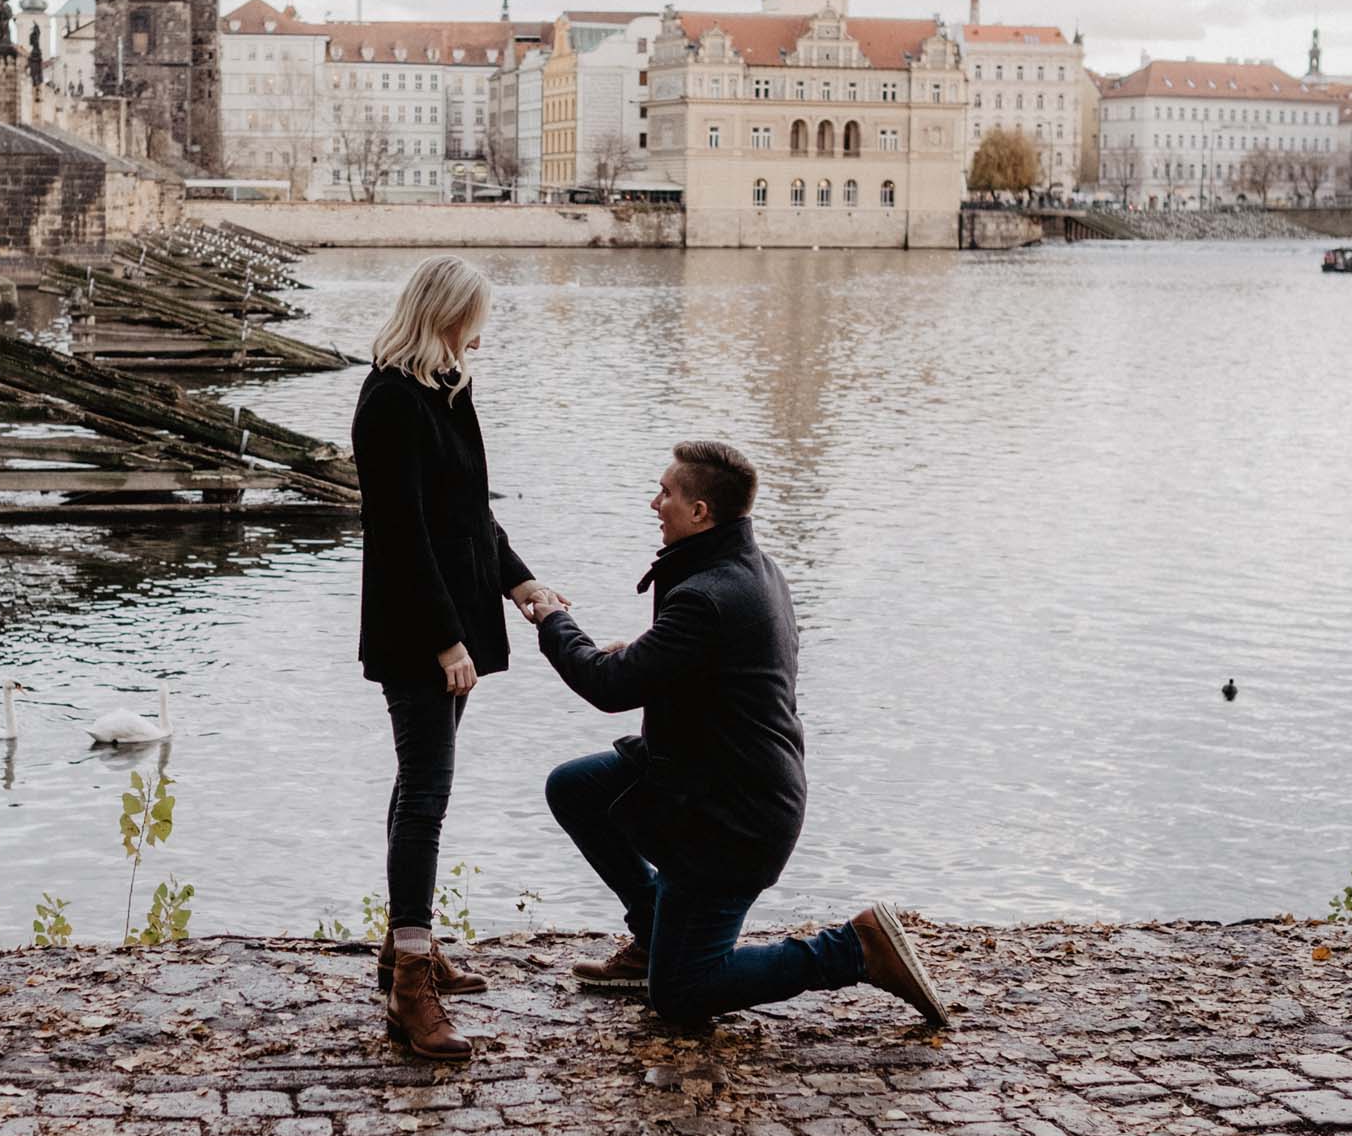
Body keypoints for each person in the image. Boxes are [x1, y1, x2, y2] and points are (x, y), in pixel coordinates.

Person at [528, 440, 950, 1029]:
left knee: (681, 995)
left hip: (730, 818)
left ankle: (854, 949)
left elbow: (608, 687)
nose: (655, 503)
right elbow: (728, 671)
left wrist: (552, 619)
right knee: (575, 787)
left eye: (667, 492)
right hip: (705, 780)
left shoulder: (707, 594)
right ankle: (654, 934)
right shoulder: (751, 571)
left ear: (701, 512)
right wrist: (652, 657)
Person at [353, 255, 563, 1061]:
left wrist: (520, 580)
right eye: (470, 321)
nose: (478, 337)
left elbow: (470, 514)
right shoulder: (389, 402)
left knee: (418, 784)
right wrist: (445, 639)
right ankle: (411, 983)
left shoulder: (446, 389)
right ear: (441, 315)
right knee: (428, 795)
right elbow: (401, 534)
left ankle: (404, 945)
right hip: (417, 629)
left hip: (457, 622)